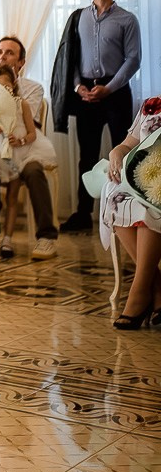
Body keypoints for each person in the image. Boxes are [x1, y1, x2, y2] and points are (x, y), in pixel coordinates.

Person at [51, 0, 142, 233]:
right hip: (86, 94)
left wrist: (109, 88)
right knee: (87, 156)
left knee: (122, 153)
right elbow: (70, 56)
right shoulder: (78, 17)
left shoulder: (127, 19)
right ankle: (83, 215)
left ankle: (126, 211)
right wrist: (77, 85)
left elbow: (133, 59)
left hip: (116, 93)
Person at [0, 36, 58, 260]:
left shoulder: (33, 89)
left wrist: (15, 136)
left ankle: (46, 237)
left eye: (10, 53)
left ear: (21, 62)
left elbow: (28, 122)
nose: (3, 56)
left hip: (25, 145)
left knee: (34, 172)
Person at [93, 96, 161, 329]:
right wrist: (116, 152)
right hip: (146, 176)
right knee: (115, 197)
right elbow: (127, 144)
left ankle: (140, 293)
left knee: (148, 205)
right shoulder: (152, 105)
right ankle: (156, 286)